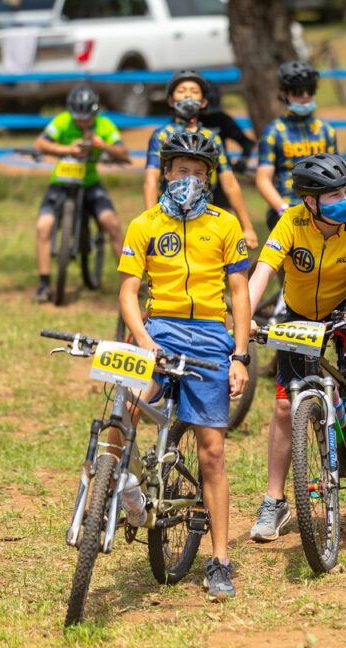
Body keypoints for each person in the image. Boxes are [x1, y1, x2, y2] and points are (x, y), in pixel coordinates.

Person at [117, 130, 251, 601]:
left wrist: (239, 355)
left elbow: (239, 293)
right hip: (160, 331)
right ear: (166, 172)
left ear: (209, 178)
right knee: (124, 407)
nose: (188, 179)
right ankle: (126, 489)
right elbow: (129, 293)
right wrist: (143, 341)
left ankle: (218, 559)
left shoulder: (226, 225)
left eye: (198, 172)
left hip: (213, 338)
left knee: (212, 451)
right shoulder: (144, 224)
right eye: (180, 170)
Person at [247, 153, 346, 542]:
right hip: (299, 314)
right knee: (281, 406)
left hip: (345, 307)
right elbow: (262, 273)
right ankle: (275, 502)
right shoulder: (290, 222)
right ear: (311, 201)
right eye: (334, 194)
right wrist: (243, 313)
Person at [31, 84, 128, 303]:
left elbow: (122, 151)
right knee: (43, 226)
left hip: (91, 183)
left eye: (87, 118)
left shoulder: (104, 125)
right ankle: (44, 284)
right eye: (78, 118)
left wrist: (103, 146)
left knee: (111, 223)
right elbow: (40, 142)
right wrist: (68, 150)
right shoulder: (63, 120)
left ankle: (130, 282)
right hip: (61, 182)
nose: (83, 122)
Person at [144, 69, 258, 249]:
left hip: (205, 215)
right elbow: (150, 181)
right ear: (170, 100)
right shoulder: (161, 135)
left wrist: (247, 226)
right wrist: (149, 221)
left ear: (204, 102)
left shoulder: (212, 137)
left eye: (194, 91)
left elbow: (229, 183)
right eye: (181, 91)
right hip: (167, 216)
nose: (188, 95)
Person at [255, 61, 338, 230]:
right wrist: (282, 209)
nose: (306, 95)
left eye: (310, 89)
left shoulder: (326, 130)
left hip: (323, 209)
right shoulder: (273, 132)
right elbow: (263, 179)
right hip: (286, 207)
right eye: (299, 91)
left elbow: (336, 174)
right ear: (284, 94)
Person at [201, 81, 255, 177]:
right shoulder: (188, 121)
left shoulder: (222, 119)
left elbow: (247, 143)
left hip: (221, 172)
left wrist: (243, 160)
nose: (208, 115)